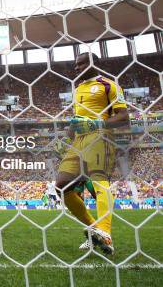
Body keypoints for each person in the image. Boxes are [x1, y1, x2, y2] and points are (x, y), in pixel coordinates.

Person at [55, 53, 128, 255]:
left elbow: (124, 118)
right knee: (62, 187)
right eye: (76, 65)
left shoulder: (109, 85)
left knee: (98, 180)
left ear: (93, 64)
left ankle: (105, 232)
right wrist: (66, 139)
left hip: (100, 135)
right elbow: (78, 119)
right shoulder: (78, 88)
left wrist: (97, 123)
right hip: (79, 140)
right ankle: (94, 228)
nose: (77, 68)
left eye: (81, 64)